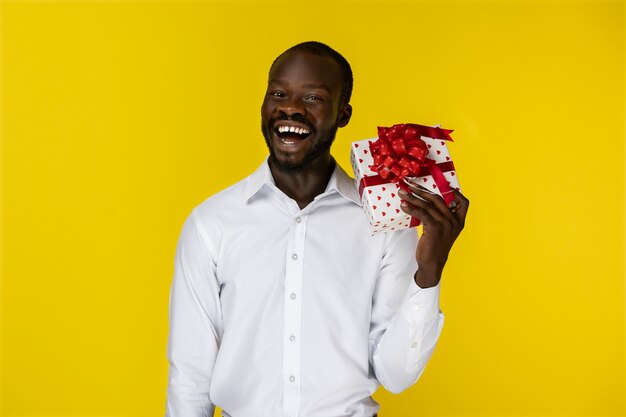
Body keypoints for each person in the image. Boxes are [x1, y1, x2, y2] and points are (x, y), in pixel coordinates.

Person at [165, 41, 469, 417]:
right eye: (278, 93)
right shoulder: (211, 223)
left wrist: (429, 271)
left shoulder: (386, 224)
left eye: (313, 97)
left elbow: (395, 375)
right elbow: (190, 375)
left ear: (343, 114)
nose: (290, 107)